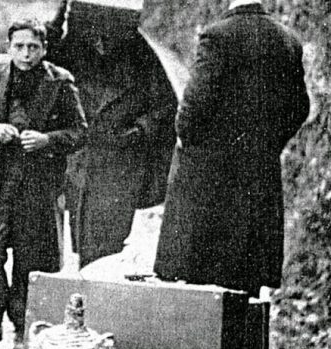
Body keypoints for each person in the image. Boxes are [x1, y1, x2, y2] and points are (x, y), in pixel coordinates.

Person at [154, 0, 309, 297]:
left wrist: (189, 138)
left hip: (210, 188)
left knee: (200, 290)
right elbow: (300, 107)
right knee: (245, 287)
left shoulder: (218, 35)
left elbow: (194, 108)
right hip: (258, 184)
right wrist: (269, 145)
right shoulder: (288, 40)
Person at [0, 18, 86, 349]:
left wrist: (47, 140)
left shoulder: (60, 82)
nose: (26, 54)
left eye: (33, 47)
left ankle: (23, 326)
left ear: (44, 49)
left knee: (32, 256)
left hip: (35, 185)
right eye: (19, 47)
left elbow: (79, 132)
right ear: (9, 47)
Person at [51, 26, 176, 268]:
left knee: (107, 242)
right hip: (82, 160)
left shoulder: (140, 51)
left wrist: (139, 129)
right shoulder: (73, 44)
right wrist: (62, 17)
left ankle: (97, 281)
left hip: (120, 162)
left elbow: (165, 105)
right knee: (82, 236)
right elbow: (47, 65)